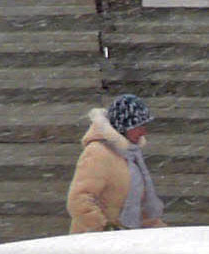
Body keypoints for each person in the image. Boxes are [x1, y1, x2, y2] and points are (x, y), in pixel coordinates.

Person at [66, 93, 166, 234]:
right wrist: (104, 228)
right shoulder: (97, 152)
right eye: (139, 126)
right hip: (95, 245)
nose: (144, 131)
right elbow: (79, 199)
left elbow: (140, 207)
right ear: (123, 127)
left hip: (123, 243)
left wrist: (164, 233)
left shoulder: (131, 156)